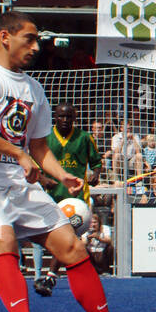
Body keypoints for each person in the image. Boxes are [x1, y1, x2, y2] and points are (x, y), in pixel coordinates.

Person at [0, 10, 147, 312]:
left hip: (15, 180)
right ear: (5, 37)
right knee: (2, 237)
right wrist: (19, 156)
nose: (36, 46)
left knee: (72, 247)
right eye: (30, 38)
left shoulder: (34, 88)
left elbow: (38, 147)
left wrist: (59, 173)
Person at [32, 103, 103, 297]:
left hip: (76, 198)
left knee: (69, 236)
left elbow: (97, 162)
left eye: (69, 117)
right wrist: (43, 179)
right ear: (55, 117)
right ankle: (43, 274)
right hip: (50, 196)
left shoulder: (84, 138)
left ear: (75, 118)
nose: (65, 120)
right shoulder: (45, 138)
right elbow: (32, 164)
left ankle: (50, 277)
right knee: (51, 239)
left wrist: (95, 174)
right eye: (61, 117)